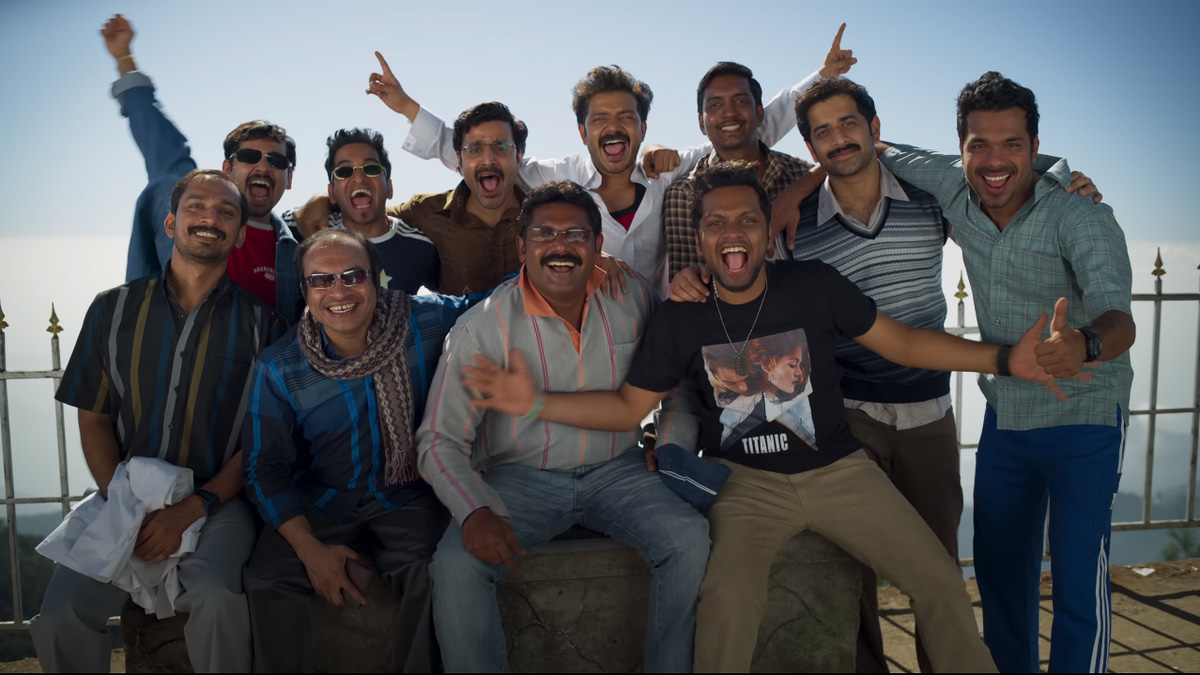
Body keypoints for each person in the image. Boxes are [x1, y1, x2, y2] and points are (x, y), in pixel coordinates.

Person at [462, 161, 1083, 672]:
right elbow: (629, 406)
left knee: (940, 581)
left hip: (841, 471)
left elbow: (903, 343)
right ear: (699, 237)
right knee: (728, 601)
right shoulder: (681, 317)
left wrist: (1006, 359)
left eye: (747, 221)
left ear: (768, 232)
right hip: (744, 484)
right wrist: (532, 401)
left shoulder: (812, 285)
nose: (732, 234)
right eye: (716, 223)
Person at [878, 71, 1135, 674]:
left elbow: (1120, 318)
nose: (994, 161)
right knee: (999, 577)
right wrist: (793, 195)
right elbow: (867, 145)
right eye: (980, 145)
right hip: (1008, 418)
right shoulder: (953, 183)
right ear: (961, 147)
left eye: (1012, 144)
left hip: (1085, 417)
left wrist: (1085, 343)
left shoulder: (1081, 214)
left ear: (1035, 145)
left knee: (1078, 580)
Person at [415, 181, 709, 672]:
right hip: (519, 478)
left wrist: (671, 447)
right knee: (456, 566)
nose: (560, 246)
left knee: (689, 539)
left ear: (598, 244)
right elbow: (438, 440)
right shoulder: (482, 327)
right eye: (544, 234)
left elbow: (676, 379)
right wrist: (473, 510)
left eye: (576, 234)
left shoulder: (632, 294)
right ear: (521, 247)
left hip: (620, 468)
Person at [366, 24, 856, 293]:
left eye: (626, 116)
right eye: (599, 118)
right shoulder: (558, 179)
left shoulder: (668, 170)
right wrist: (408, 108)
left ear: (642, 127)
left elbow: (740, 132)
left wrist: (822, 79)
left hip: (659, 329)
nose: (613, 126)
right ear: (583, 132)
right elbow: (483, 159)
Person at [31, 170, 284, 673]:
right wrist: (122, 500)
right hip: (123, 493)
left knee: (216, 598)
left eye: (225, 212)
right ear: (171, 223)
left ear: (238, 235)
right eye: (196, 206)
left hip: (218, 503)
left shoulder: (264, 326)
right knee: (61, 616)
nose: (209, 218)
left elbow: (259, 442)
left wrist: (192, 507)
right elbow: (94, 418)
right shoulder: (112, 309)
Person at [242, 228, 471, 672]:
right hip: (321, 497)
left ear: (376, 278)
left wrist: (595, 265)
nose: (339, 291)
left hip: (408, 493)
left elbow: (496, 300)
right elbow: (264, 467)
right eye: (321, 280)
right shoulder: (280, 366)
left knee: (431, 572)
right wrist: (310, 550)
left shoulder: (425, 320)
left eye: (353, 275)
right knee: (267, 579)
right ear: (304, 289)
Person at [100, 14, 302, 322]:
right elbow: (163, 145)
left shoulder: (297, 249)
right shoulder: (191, 211)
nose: (263, 166)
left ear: (289, 178)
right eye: (249, 156)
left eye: (276, 161)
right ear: (227, 168)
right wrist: (125, 58)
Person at [291, 102, 529, 295]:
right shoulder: (426, 212)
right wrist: (323, 200)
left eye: (501, 147)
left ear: (519, 156)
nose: (488, 159)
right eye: (475, 149)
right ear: (459, 159)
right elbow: (372, 212)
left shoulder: (542, 217)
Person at [663, 61, 819, 278]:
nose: (729, 112)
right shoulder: (682, 195)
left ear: (760, 113)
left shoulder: (804, 176)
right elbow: (691, 283)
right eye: (715, 105)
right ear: (701, 123)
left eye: (741, 101)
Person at [318, 128, 440, 296]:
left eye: (371, 169)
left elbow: (446, 299)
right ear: (331, 192)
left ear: (389, 188)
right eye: (344, 171)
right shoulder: (309, 232)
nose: (359, 178)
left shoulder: (421, 247)